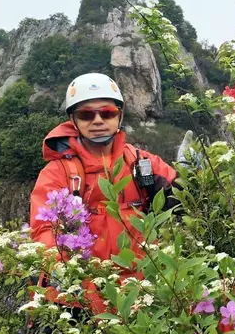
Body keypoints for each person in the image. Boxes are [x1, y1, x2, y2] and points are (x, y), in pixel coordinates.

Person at [29, 72, 178, 312]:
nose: (98, 121)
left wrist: (180, 190)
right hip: (79, 296)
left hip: (140, 291)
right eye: (86, 115)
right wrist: (68, 273)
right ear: (73, 120)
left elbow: (186, 196)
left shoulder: (142, 162)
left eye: (107, 112)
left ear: (120, 115)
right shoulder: (58, 172)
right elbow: (44, 230)